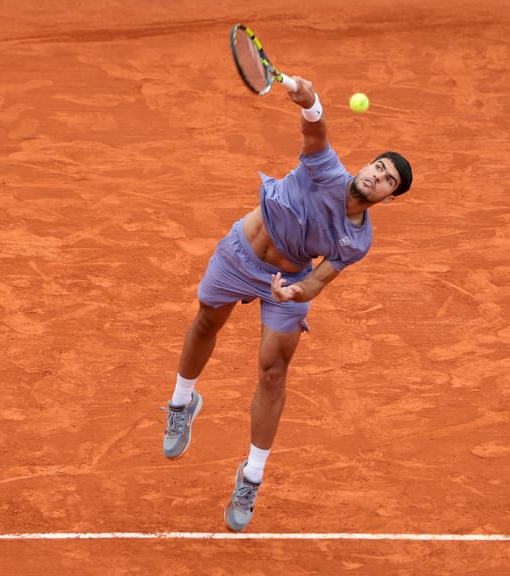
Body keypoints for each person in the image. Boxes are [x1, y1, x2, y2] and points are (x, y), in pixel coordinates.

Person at [162, 75, 412, 532]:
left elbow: (318, 281)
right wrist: (311, 100)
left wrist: (291, 293)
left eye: (386, 180)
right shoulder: (326, 169)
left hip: (288, 279)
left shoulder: (357, 241)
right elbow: (314, 131)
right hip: (240, 255)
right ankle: (183, 402)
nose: (376, 175)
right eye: (378, 166)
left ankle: (251, 476)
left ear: (388, 198)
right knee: (205, 323)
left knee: (273, 370)